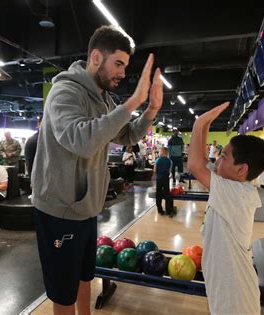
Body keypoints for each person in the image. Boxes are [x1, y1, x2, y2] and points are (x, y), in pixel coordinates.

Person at [31, 25, 163, 315]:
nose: (122, 73)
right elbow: (82, 141)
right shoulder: (64, 91)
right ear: (95, 58)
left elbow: (126, 135)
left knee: (84, 278)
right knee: (63, 294)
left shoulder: (104, 99)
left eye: (125, 67)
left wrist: (150, 110)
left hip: (87, 207)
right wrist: (131, 103)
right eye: (118, 63)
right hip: (59, 209)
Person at [188, 102, 264, 315]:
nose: (217, 160)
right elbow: (204, 161)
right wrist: (206, 124)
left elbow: (195, 165)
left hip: (235, 295)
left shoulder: (236, 194)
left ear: (242, 169)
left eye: (223, 157)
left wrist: (198, 123)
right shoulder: (234, 186)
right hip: (228, 286)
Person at [153, 147, 174, 217]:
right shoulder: (170, 161)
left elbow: (155, 171)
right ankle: (168, 211)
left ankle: (160, 210)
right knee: (167, 194)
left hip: (159, 179)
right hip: (166, 179)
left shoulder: (157, 160)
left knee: (158, 194)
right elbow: (170, 171)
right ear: (167, 153)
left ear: (161, 152)